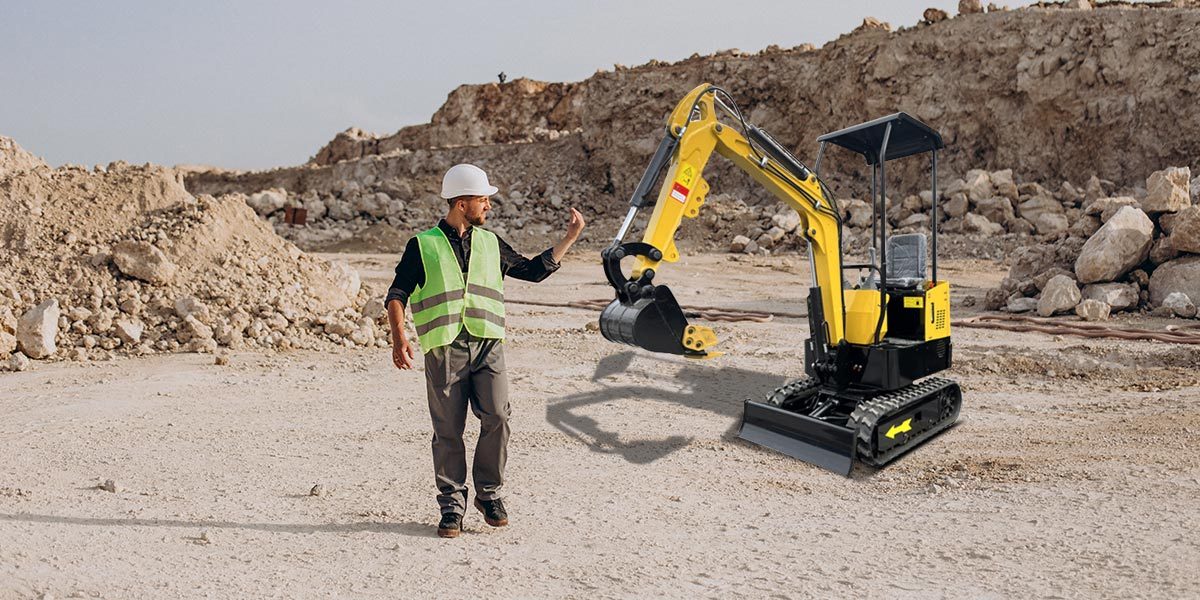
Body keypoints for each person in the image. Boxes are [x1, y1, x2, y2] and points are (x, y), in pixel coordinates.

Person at [385, 163, 585, 538]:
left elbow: (532, 270)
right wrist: (400, 337)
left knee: (498, 415)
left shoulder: (491, 243)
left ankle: (488, 495)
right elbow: (397, 294)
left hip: (488, 344)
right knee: (448, 430)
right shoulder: (423, 245)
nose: (489, 206)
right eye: (483, 200)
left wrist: (570, 237)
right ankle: (452, 506)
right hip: (444, 347)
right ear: (462, 203)